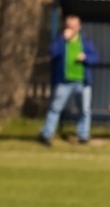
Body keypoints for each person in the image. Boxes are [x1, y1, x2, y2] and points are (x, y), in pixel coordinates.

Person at [39, 15, 98, 147]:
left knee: (85, 110)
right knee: (55, 108)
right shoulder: (60, 40)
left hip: (83, 81)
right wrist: (63, 39)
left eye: (74, 26)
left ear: (79, 27)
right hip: (64, 81)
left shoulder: (86, 41)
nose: (71, 29)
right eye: (69, 26)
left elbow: (95, 58)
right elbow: (53, 52)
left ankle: (83, 135)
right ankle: (46, 134)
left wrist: (86, 58)